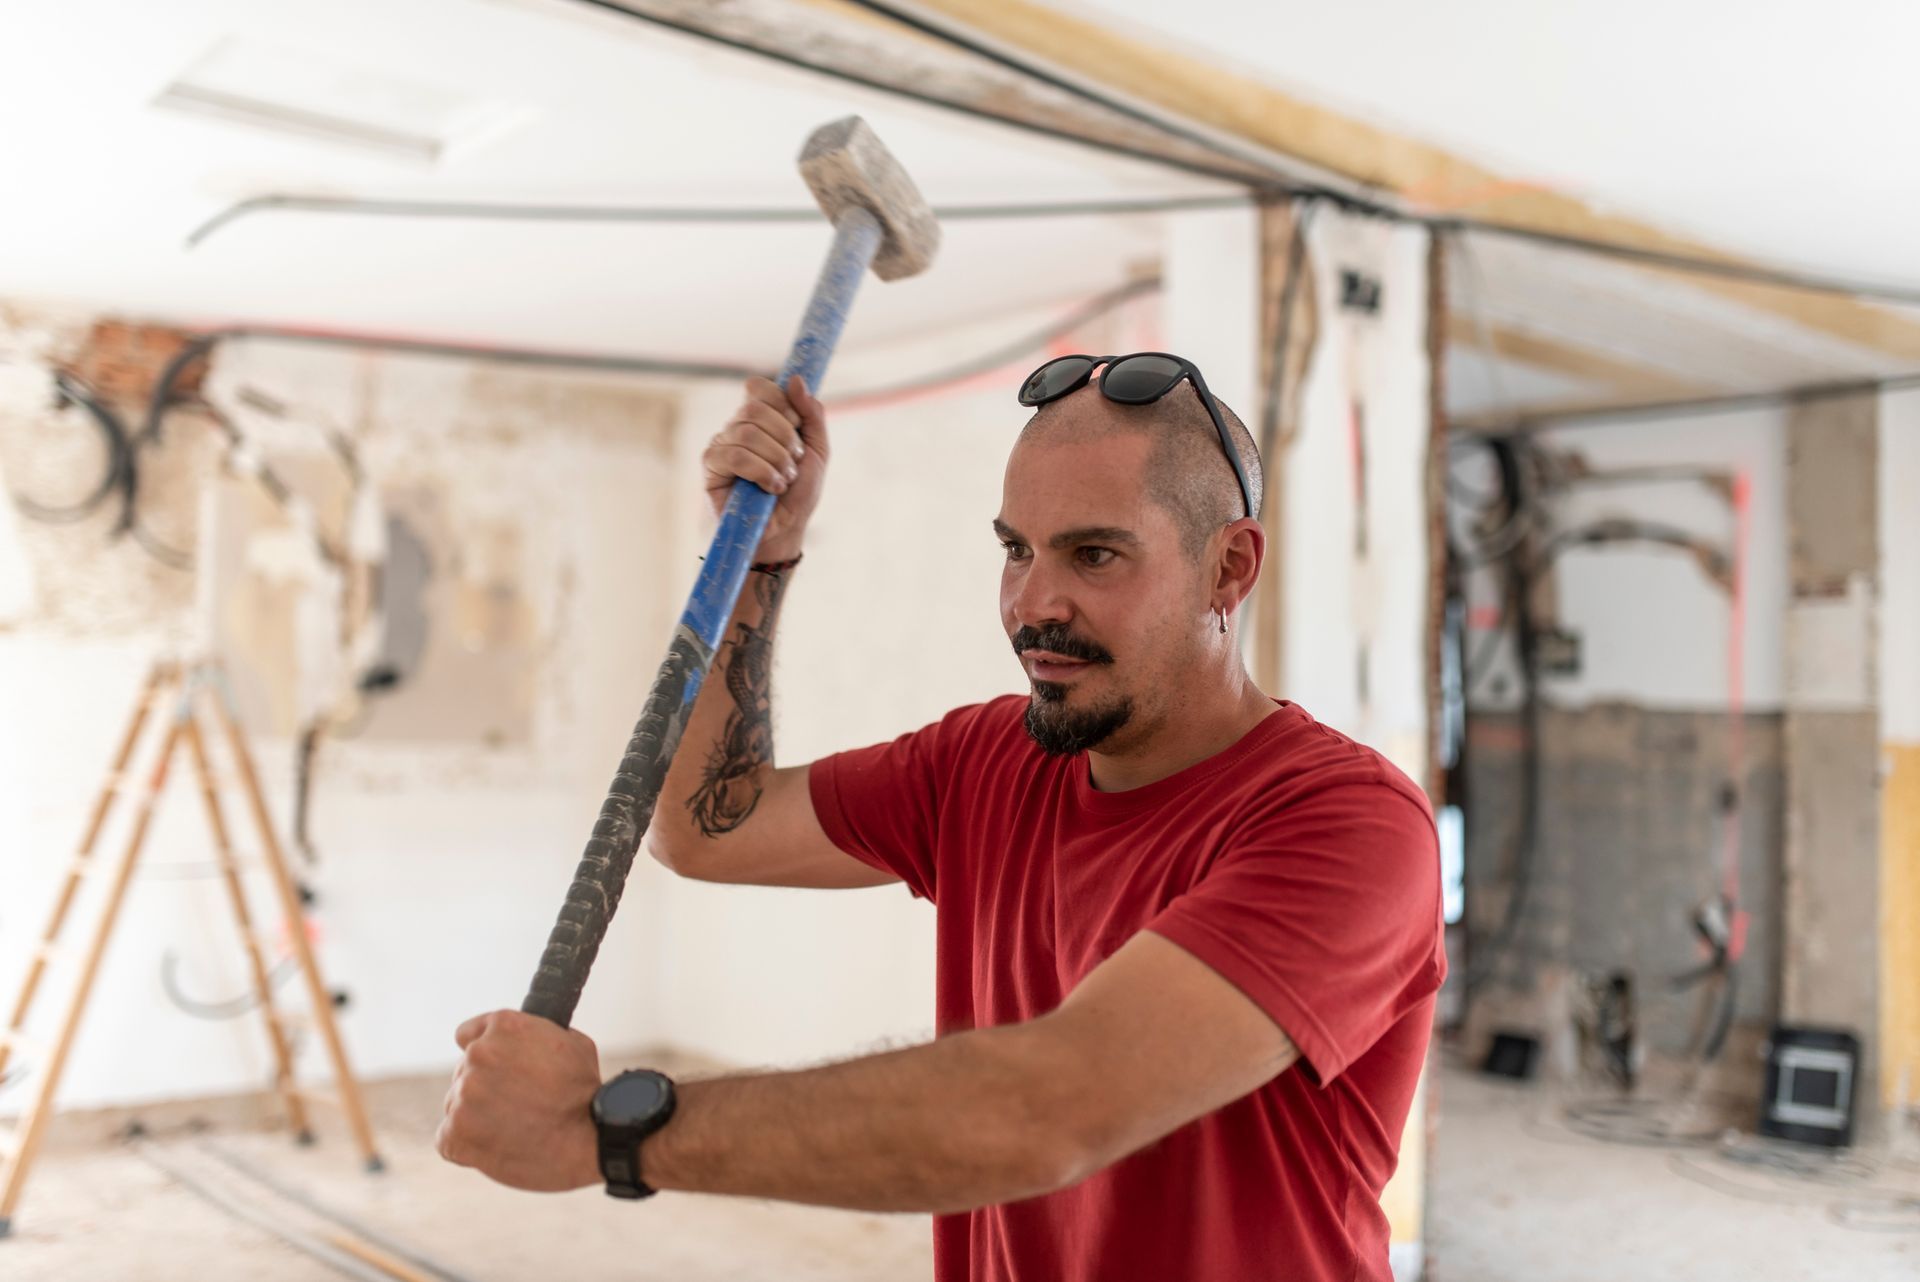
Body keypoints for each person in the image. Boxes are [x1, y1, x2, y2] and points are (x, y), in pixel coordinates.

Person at [437, 353, 1444, 1282]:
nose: (1034, 603)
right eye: (1017, 550)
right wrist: (757, 555)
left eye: (1095, 555)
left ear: (1230, 567)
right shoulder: (985, 761)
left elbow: (1044, 1108)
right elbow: (711, 825)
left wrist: (607, 1132)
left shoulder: (1347, 825)